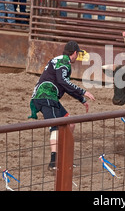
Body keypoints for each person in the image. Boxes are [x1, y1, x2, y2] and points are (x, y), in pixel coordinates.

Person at [28, 41, 95, 171]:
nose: (77, 57)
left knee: (70, 124)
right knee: (55, 127)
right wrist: (83, 92)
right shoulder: (64, 63)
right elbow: (62, 81)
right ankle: (54, 162)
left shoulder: (60, 60)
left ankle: (64, 158)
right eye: (77, 54)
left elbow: (64, 84)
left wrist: (81, 99)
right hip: (45, 96)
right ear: (74, 53)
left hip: (49, 97)